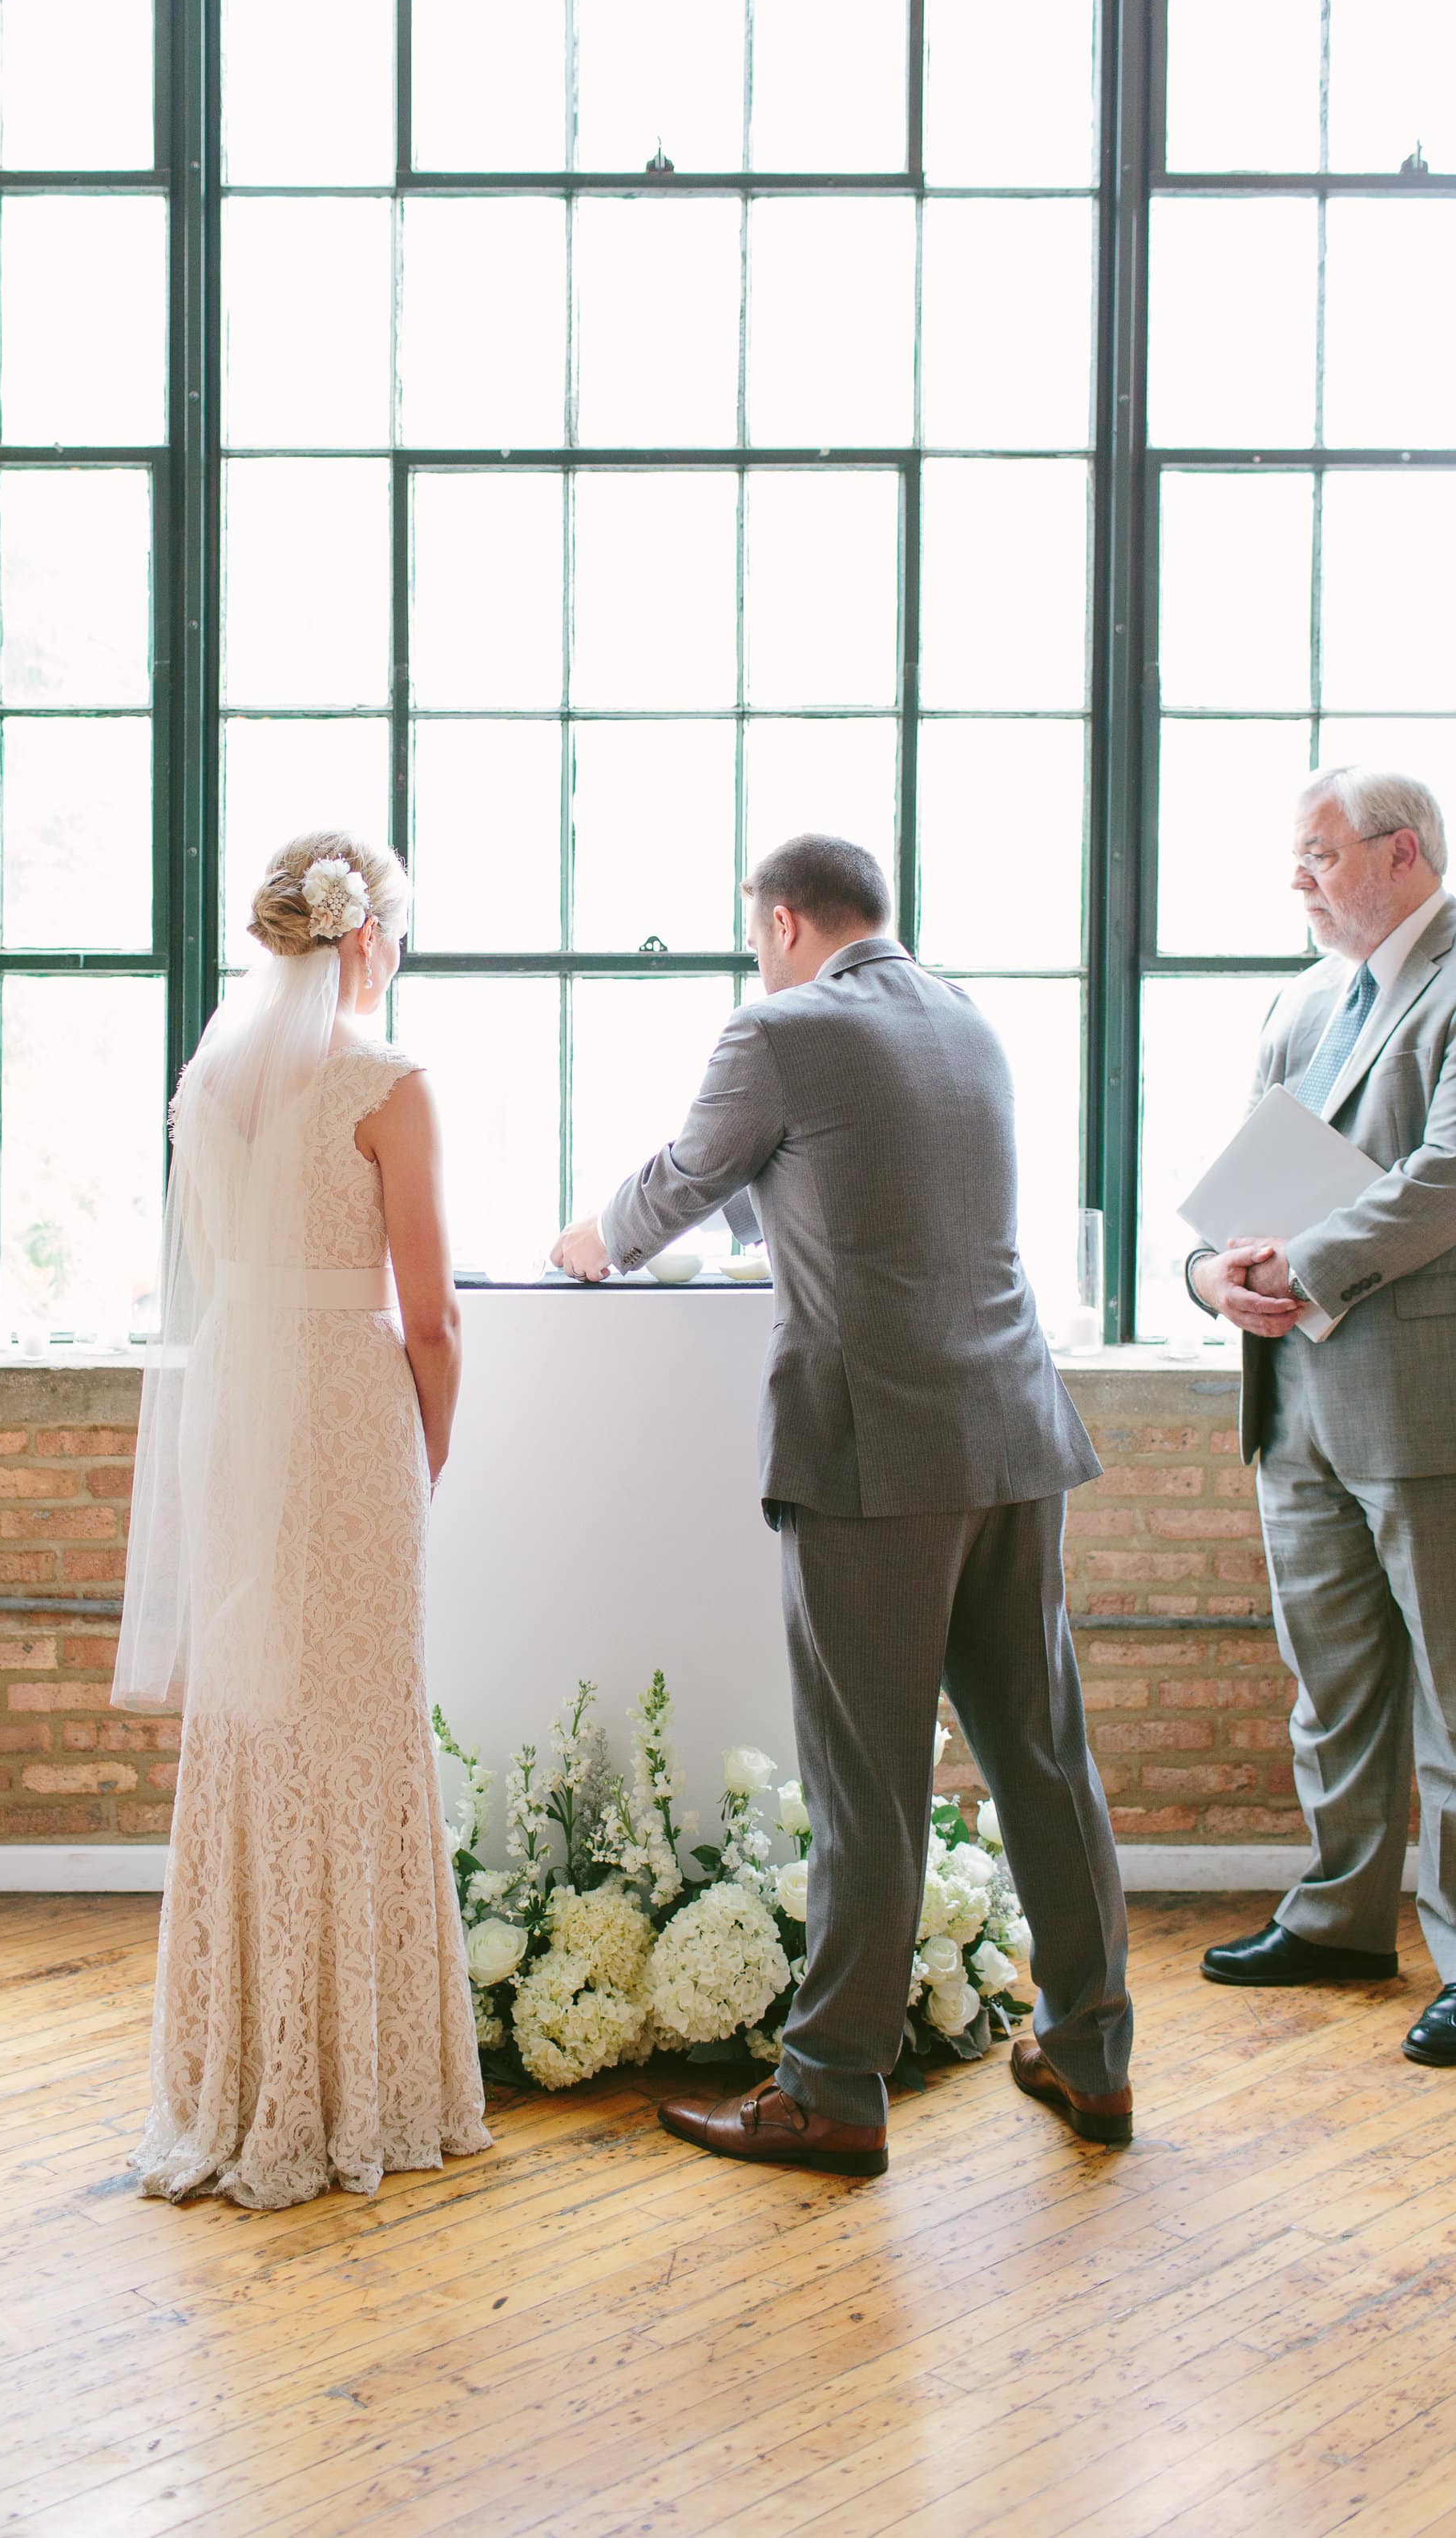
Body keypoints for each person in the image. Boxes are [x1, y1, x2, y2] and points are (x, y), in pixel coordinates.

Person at [551, 833, 1133, 2176]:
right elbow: (869, 1196)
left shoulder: (777, 1028)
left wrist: (590, 1243)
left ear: (778, 921)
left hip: (877, 1452)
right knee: (1041, 1753)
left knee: (868, 1780)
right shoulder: (964, 1017)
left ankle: (828, 2090)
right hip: (1015, 1432)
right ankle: (1092, 2053)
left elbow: (680, 1181)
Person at [115, 829, 489, 2209]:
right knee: (360, 1717)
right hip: (342, 1411)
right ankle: (359, 2083)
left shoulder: (206, 1081)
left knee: (255, 1717)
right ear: (367, 939)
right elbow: (434, 1318)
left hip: (237, 1405)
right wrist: (427, 1458)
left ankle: (236, 2071)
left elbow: (217, 1271)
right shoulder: (386, 1081)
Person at [1187, 769, 1456, 2066]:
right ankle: (1340, 1914)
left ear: (1401, 854)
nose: (1297, 880)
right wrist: (1209, 1277)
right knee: (1331, 1686)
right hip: (1292, 1401)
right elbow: (1242, 1186)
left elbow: (1443, 1177)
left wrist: (1299, 1268)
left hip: (1424, 1407)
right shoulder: (1302, 1004)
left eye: (1319, 854)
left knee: (1454, 1700)